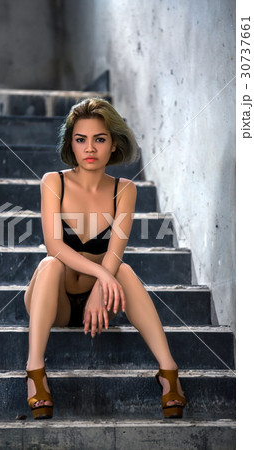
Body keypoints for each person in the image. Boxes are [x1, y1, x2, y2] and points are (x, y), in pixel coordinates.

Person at [24, 97, 186, 420]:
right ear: (71, 143)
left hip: (99, 304)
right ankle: (34, 371)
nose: (90, 148)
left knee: (121, 269)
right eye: (81, 139)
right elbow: (54, 245)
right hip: (54, 299)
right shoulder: (52, 182)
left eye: (99, 139)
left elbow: (115, 251)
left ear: (113, 144)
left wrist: (103, 282)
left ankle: (169, 372)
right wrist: (102, 276)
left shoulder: (124, 190)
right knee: (50, 263)